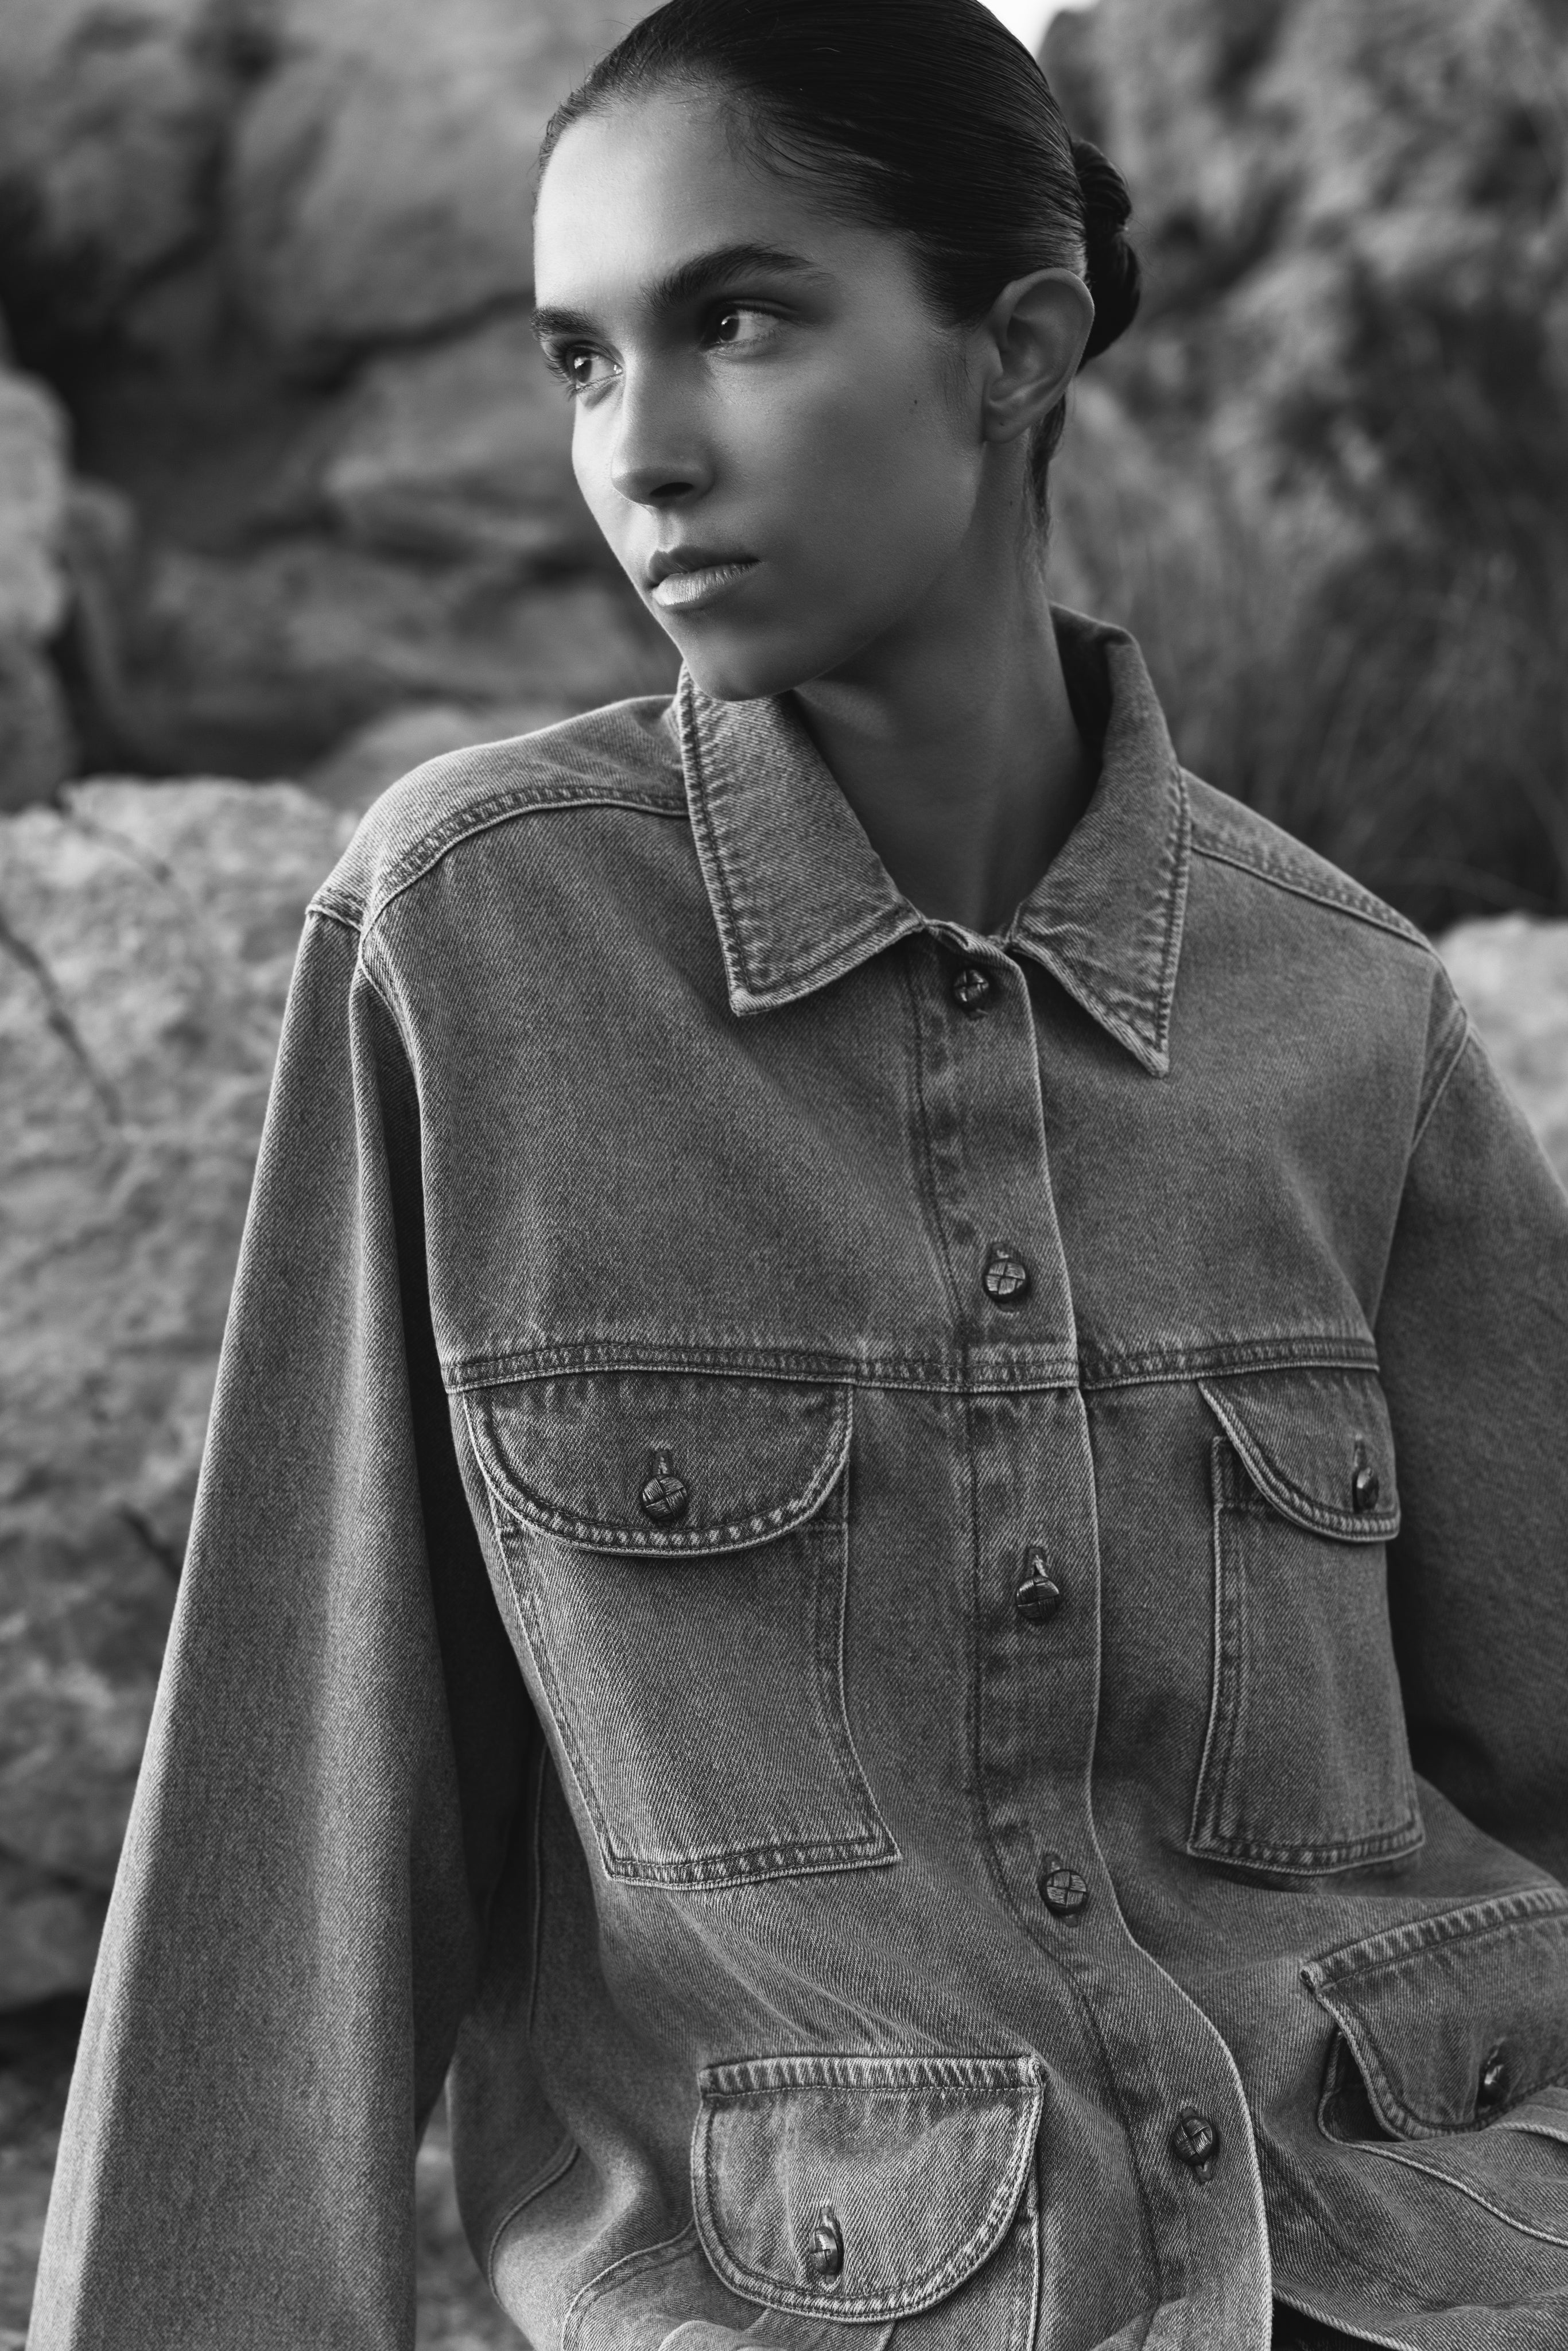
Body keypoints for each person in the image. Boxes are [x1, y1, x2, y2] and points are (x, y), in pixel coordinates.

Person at [30, 2, 1568, 2346]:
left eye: (734, 322)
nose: (636, 450)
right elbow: (298, 1814)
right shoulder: (480, 939)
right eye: (577, 361)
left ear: (1012, 349)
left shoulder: (1343, 1009)